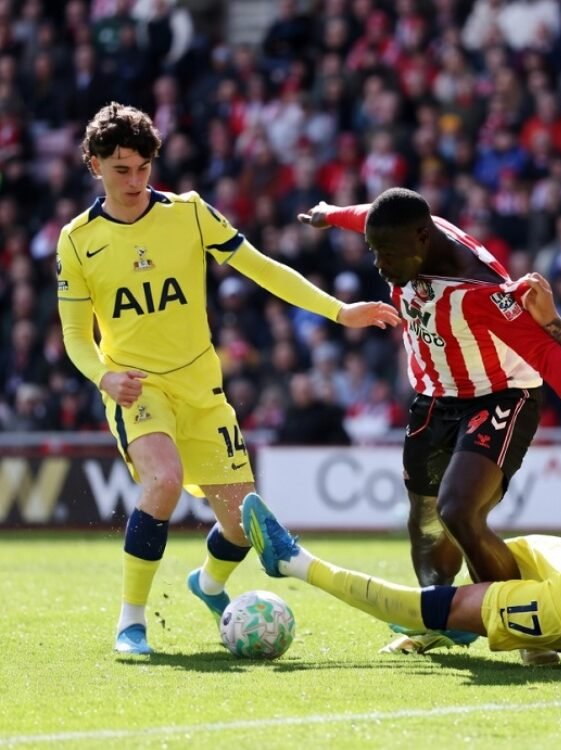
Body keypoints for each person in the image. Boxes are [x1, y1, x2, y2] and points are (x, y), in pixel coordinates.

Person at [56, 103, 400, 655]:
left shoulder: (189, 213)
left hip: (202, 388)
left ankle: (208, 584)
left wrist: (341, 311)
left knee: (241, 524)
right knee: (163, 481)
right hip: (139, 389)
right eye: (120, 169)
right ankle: (131, 622)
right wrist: (104, 376)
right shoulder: (76, 241)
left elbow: (261, 267)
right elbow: (75, 335)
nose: (134, 181)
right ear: (94, 164)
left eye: (143, 167)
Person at [240, 364, 561, 674]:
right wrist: (557, 326)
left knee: (437, 604)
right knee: (501, 546)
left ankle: (294, 563)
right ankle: (473, 628)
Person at [298, 189, 561, 660]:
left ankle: (528, 633)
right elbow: (368, 218)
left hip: (501, 393)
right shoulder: (411, 230)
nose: (379, 265)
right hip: (435, 396)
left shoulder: (478, 289)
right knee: (426, 522)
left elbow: (544, 354)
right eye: (375, 251)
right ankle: (438, 620)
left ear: (422, 237)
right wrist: (329, 214)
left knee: (459, 511)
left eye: (388, 254)